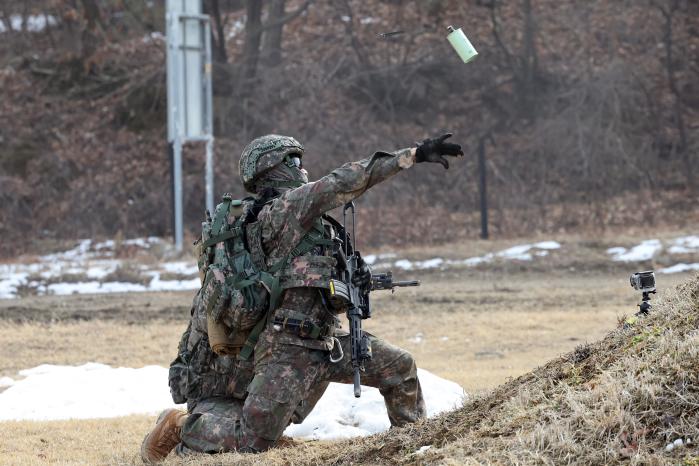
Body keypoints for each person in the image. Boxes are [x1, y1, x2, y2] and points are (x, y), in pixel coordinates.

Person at [141, 133, 463, 462]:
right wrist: (412, 155)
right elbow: (344, 181)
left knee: (400, 368)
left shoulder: (302, 224)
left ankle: (414, 451)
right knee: (252, 441)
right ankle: (181, 427)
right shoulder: (284, 211)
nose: (301, 168)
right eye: (293, 161)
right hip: (288, 346)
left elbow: (310, 275)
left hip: (325, 338)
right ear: (274, 170)